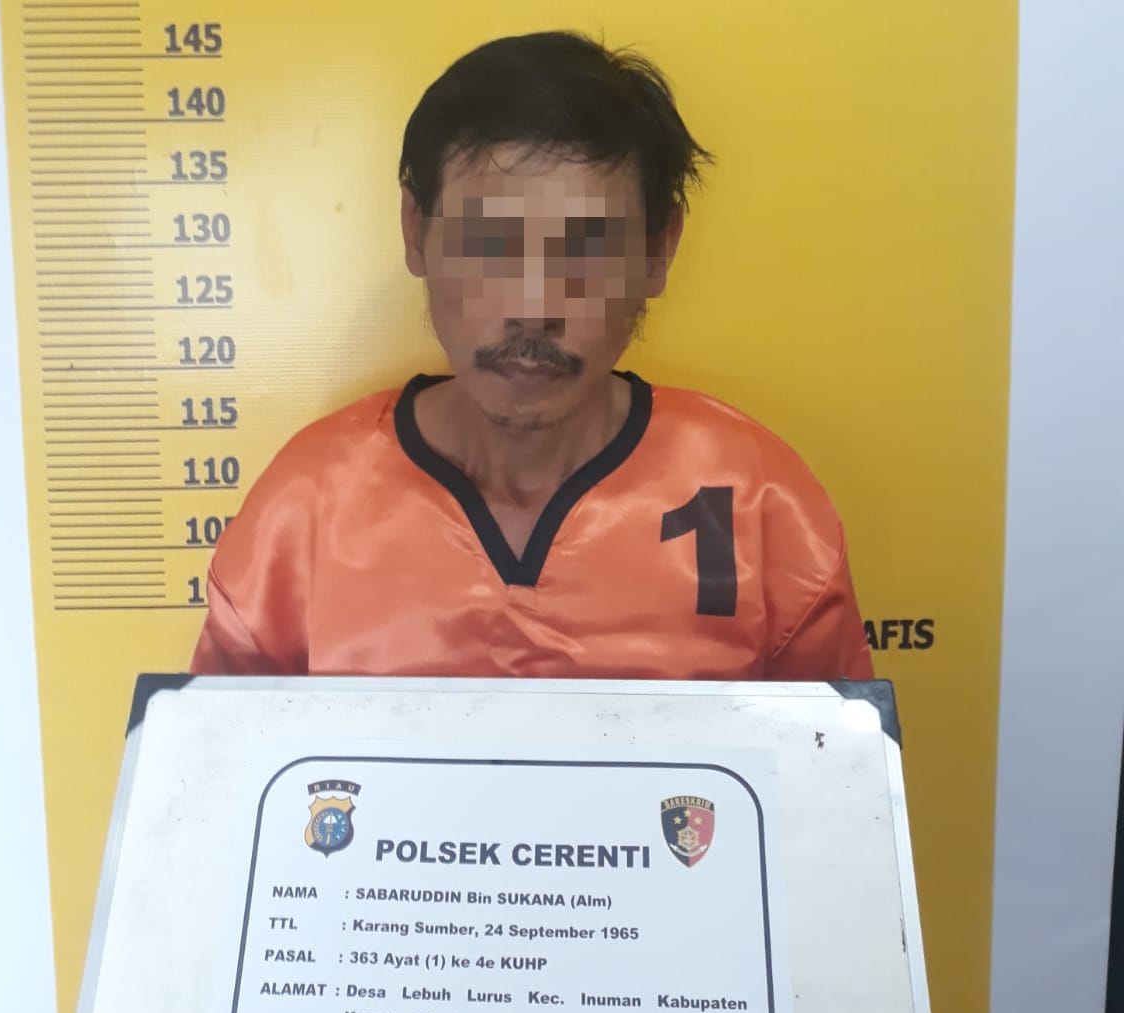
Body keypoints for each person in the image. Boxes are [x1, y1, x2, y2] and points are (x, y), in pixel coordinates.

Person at [190, 30, 874, 681]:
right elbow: (214, 759)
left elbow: (834, 763)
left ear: (658, 250)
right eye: (489, 242)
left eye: (587, 249)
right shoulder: (303, 513)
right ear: (415, 230)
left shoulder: (762, 509)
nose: (534, 306)